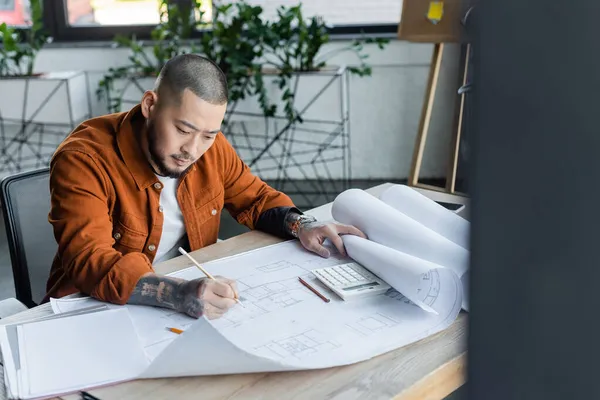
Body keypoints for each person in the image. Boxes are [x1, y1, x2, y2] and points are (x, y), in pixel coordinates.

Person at [44, 54, 365, 320]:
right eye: (183, 129)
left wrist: (303, 225)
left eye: (208, 135)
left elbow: (256, 198)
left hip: (184, 297)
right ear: (149, 105)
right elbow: (91, 262)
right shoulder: (83, 159)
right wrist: (176, 292)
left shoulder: (211, 147)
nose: (193, 150)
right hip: (91, 308)